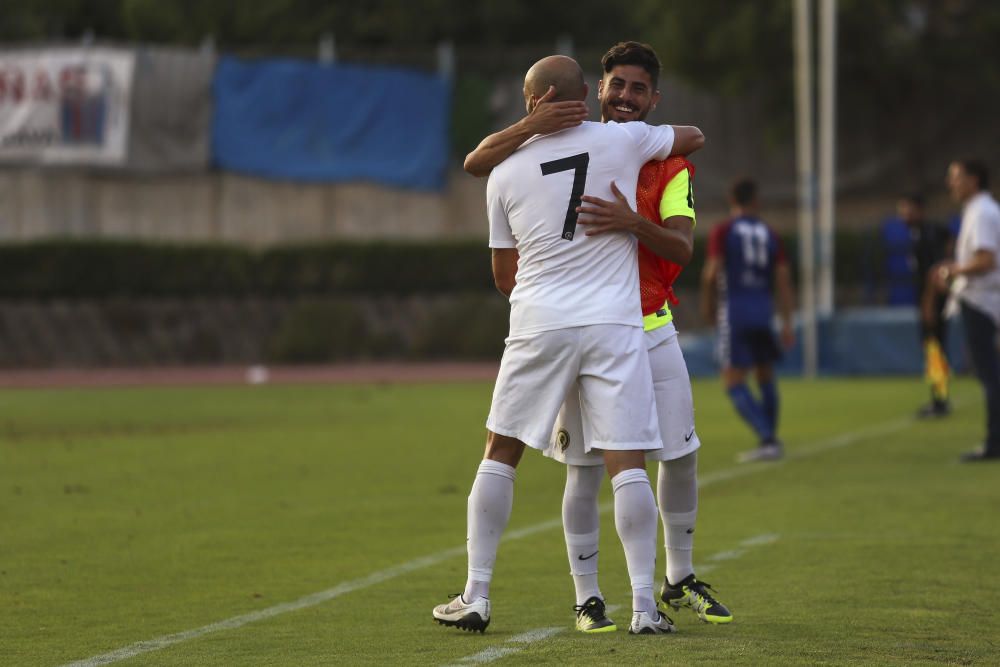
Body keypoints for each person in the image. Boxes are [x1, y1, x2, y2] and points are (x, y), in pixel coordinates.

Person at [432, 54, 706, 636]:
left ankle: (476, 594)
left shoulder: (503, 172)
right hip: (616, 324)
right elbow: (691, 136)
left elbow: (504, 277)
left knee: (500, 451)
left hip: (539, 322)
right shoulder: (625, 143)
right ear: (589, 94)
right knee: (627, 461)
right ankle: (644, 607)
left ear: (530, 100)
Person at [700, 179, 794, 463]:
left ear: (732, 199)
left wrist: (708, 305)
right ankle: (770, 438)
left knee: (732, 379)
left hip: (735, 311)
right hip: (763, 310)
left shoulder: (723, 230)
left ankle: (767, 438)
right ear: (756, 200)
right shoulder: (770, 233)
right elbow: (783, 279)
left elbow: (710, 273)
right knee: (764, 372)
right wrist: (787, 320)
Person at [934, 159, 1000, 462]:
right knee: (988, 373)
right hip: (980, 300)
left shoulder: (983, 212)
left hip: (983, 302)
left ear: (973, 180)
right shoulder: (978, 210)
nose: (951, 183)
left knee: (990, 374)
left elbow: (986, 260)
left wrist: (954, 271)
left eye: (956, 177)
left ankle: (995, 442)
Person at [894, 192, 955, 418]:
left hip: (933, 301)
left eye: (906, 208)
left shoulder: (927, 234)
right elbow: (949, 239)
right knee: (933, 349)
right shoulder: (920, 233)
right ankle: (938, 396)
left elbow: (934, 269)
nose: (902, 214)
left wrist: (928, 302)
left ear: (918, 209)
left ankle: (940, 400)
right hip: (929, 299)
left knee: (934, 348)